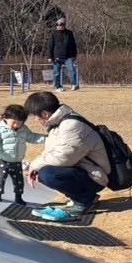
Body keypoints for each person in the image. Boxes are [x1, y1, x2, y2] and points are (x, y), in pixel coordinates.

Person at [24, 90, 109, 222]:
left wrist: (34, 166)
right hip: (83, 170)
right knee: (43, 172)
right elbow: (52, 152)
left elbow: (64, 156)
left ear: (45, 114)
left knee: (47, 174)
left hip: (95, 177)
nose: (35, 120)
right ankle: (77, 199)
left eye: (35, 116)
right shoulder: (59, 123)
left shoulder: (72, 125)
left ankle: (85, 201)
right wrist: (35, 167)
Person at [0, 103, 44, 206]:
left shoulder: (24, 129)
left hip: (17, 161)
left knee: (19, 180)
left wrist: (48, 138)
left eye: (20, 123)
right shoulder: (0, 128)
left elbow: (33, 137)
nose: (16, 125)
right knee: (1, 178)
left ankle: (18, 197)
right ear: (5, 118)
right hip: (3, 159)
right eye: (14, 122)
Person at [49, 18, 79, 91]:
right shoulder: (53, 33)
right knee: (57, 72)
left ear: (64, 25)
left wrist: (74, 55)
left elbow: (73, 45)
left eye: (61, 25)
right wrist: (50, 56)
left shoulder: (69, 33)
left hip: (68, 57)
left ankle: (74, 84)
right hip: (57, 57)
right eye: (57, 25)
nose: (59, 26)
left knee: (72, 70)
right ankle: (58, 86)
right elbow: (50, 45)